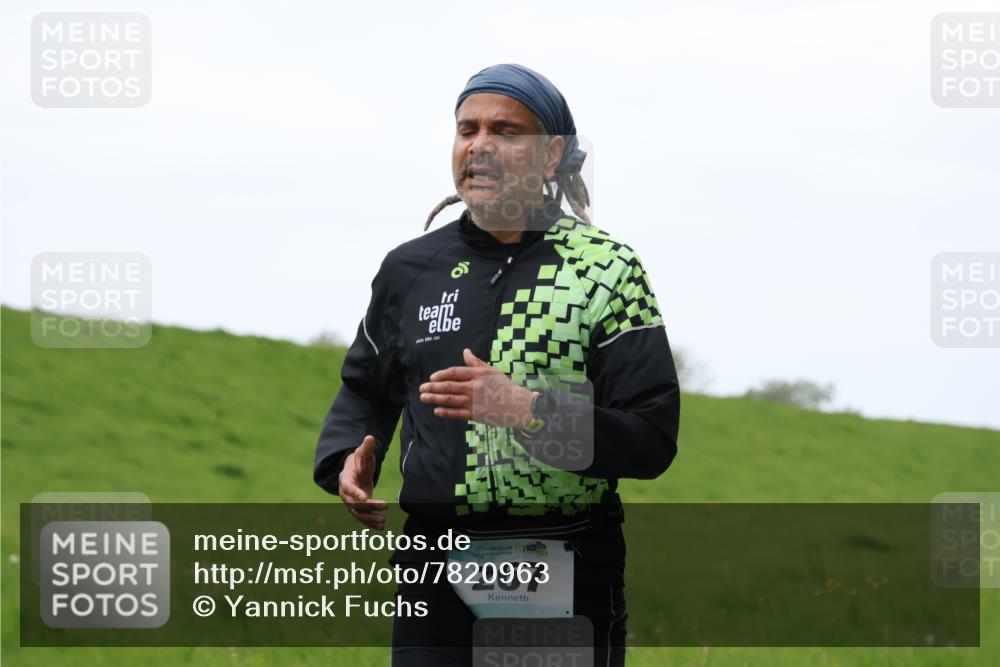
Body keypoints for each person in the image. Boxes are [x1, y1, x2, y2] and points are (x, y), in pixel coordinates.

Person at [314, 63, 680, 666]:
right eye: (467, 129)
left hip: (560, 559)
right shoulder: (410, 269)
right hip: (433, 565)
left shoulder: (607, 270)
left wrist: (528, 412)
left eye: (506, 132)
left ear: (551, 154)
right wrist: (348, 459)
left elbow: (651, 438)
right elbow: (365, 391)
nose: (479, 146)